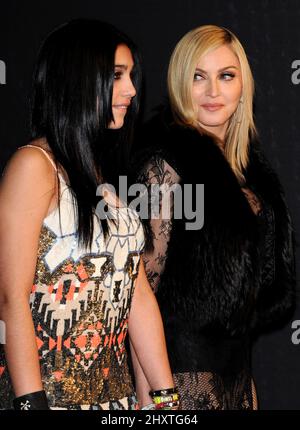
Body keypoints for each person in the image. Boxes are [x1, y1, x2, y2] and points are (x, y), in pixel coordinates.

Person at [0, 19, 178, 410]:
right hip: (49, 398)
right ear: (77, 80)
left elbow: (137, 294)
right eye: (117, 75)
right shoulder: (33, 166)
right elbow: (10, 298)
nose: (132, 90)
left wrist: (166, 399)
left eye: (131, 76)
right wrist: (31, 403)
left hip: (117, 402)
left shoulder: (104, 173)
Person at [134, 25, 296, 410]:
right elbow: (137, 296)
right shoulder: (164, 166)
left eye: (226, 76)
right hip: (179, 380)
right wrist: (153, 399)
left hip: (235, 377)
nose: (213, 92)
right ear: (179, 82)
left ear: (243, 85)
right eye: (198, 77)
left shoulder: (249, 170)